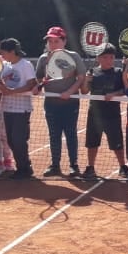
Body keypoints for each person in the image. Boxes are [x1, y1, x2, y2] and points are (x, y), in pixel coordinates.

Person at [34, 26, 86, 177]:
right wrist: (39, 85)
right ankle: (55, 165)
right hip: (51, 103)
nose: (53, 44)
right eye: (50, 41)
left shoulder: (73, 56)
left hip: (70, 103)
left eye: (56, 41)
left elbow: (81, 78)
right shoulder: (43, 58)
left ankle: (74, 166)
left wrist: (70, 92)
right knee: (54, 134)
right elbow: (38, 78)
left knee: (71, 134)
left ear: (64, 41)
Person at [80, 42, 128, 179]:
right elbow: (84, 91)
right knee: (92, 142)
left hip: (112, 114)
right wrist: (86, 81)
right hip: (94, 115)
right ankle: (90, 167)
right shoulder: (92, 72)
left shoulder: (118, 72)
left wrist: (114, 94)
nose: (109, 60)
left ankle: (123, 167)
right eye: (105, 57)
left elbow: (126, 90)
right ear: (98, 58)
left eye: (111, 57)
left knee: (117, 143)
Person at [0, 38, 37, 179]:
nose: (1, 55)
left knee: (18, 140)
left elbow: (31, 84)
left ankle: (23, 169)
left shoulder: (26, 65)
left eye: (3, 52)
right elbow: (0, 82)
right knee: (11, 141)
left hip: (22, 109)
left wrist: (12, 92)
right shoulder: (5, 65)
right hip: (7, 108)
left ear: (12, 51)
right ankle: (24, 166)